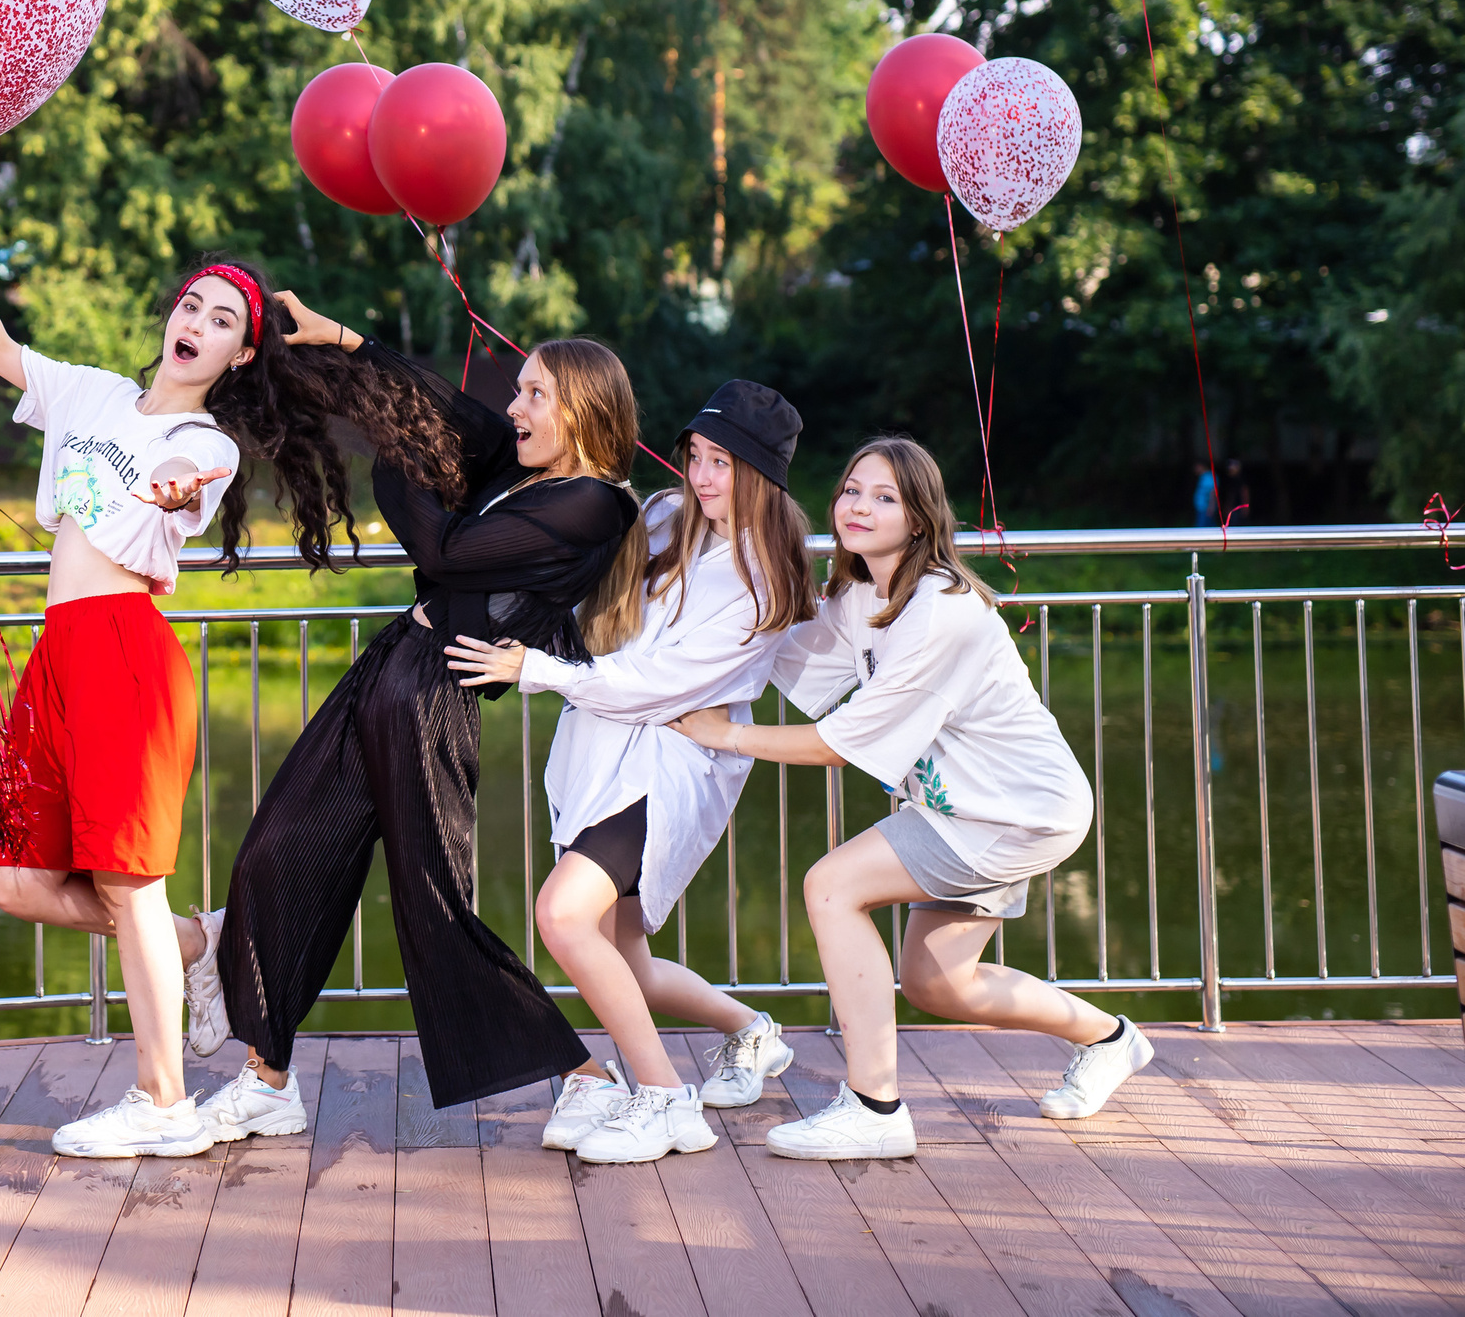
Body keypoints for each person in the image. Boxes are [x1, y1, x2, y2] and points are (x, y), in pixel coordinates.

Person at [0, 217, 354, 1159]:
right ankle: (195, 942)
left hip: (125, 651)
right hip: (58, 657)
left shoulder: (211, 443)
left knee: (127, 883)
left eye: (223, 318)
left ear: (242, 353)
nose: (197, 321)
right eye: (192, 304)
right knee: (16, 881)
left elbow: (183, 477)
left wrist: (166, 487)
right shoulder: (92, 394)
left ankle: (164, 1100)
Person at [197, 309, 640, 1142]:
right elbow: (448, 408)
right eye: (519, 388)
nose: (515, 406)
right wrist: (347, 341)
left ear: (581, 408)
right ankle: (266, 1076)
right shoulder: (523, 462)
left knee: (433, 903)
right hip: (396, 660)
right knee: (283, 845)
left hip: (435, 690)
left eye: (535, 393)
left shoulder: (594, 503)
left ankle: (585, 1076)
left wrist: (394, 463)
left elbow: (444, 552)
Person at [670, 435, 1151, 1160]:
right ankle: (1112, 1039)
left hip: (1013, 811)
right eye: (852, 490)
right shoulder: (866, 596)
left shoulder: (939, 609)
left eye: (885, 496)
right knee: (938, 982)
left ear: (920, 518)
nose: (859, 506)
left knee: (831, 886)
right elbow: (781, 646)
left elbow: (836, 743)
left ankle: (873, 1106)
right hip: (968, 806)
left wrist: (725, 735)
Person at [445, 381, 814, 1164]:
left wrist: (533, 668)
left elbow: (660, 684)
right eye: (698, 457)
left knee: (563, 915)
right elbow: (600, 614)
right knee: (629, 966)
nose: (705, 476)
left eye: (726, 463)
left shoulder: (767, 580)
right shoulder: (662, 520)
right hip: (603, 747)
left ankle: (663, 1098)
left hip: (674, 761)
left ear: (766, 476)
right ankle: (750, 1030)